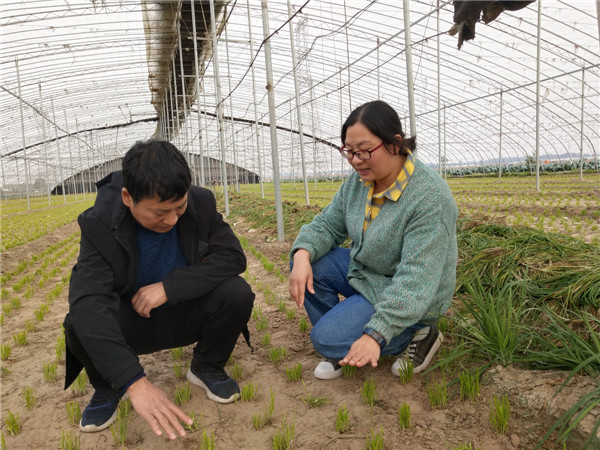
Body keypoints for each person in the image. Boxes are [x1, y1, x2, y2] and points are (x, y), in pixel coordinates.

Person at [63, 140, 254, 439]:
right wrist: (133, 382)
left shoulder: (201, 204)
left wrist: (169, 286)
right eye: (160, 212)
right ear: (128, 197)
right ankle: (109, 386)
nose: (173, 219)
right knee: (79, 322)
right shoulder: (99, 223)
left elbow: (233, 256)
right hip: (134, 323)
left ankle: (206, 366)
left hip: (184, 312)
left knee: (236, 292)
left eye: (180, 207)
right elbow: (89, 301)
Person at [289, 100, 458, 380]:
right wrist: (302, 254)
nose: (356, 160)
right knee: (310, 263)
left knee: (325, 338)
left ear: (395, 143)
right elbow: (327, 225)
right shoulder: (358, 182)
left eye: (365, 151)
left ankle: (417, 332)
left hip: (409, 290)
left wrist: (376, 333)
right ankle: (346, 343)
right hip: (367, 273)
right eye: (349, 152)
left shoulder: (430, 199)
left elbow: (415, 280)